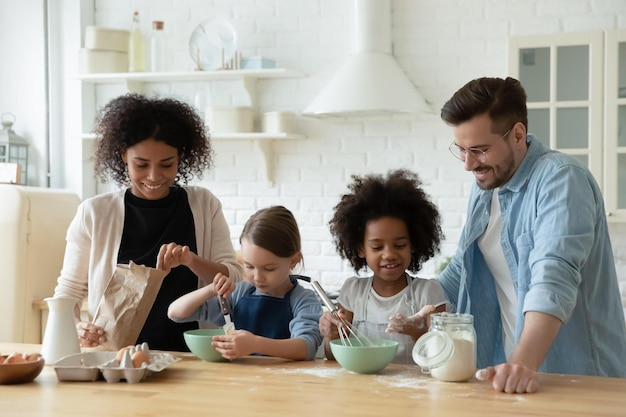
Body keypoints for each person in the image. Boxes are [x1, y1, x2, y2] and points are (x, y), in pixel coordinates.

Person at [439, 76, 626, 393]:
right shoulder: (487, 184)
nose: (469, 164)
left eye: (479, 150)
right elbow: (463, 268)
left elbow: (553, 276)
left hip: (578, 381)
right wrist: (414, 300)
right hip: (511, 377)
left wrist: (523, 362)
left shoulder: (562, 179)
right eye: (461, 150)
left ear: (518, 134)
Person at [53, 93, 243, 352]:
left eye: (167, 164)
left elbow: (233, 277)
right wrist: (75, 324)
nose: (154, 176)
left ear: (181, 158)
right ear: (123, 156)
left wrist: (191, 260)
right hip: (116, 356)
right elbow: (69, 290)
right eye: (141, 164)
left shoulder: (204, 204)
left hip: (192, 356)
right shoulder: (95, 213)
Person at [319, 169, 449, 364]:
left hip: (413, 392)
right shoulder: (353, 292)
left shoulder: (428, 293)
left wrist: (416, 332)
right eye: (377, 247)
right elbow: (332, 356)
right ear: (361, 249)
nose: (389, 254)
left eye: (399, 245)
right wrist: (331, 335)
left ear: (413, 244)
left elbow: (441, 357)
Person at [168, 205, 323, 361]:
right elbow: (175, 314)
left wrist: (256, 344)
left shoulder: (303, 300)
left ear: (293, 261)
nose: (257, 277)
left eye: (268, 269)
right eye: (249, 266)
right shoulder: (238, 294)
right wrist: (210, 289)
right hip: (241, 381)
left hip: (284, 383)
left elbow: (306, 347)